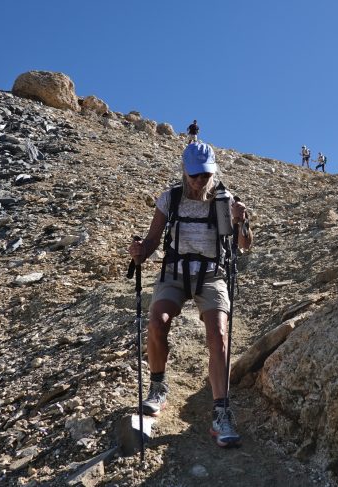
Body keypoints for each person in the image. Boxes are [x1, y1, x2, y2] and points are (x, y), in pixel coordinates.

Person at [127, 141, 252, 448]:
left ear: (213, 172)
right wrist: (139, 252)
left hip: (211, 276)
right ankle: (158, 388)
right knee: (158, 320)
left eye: (205, 175)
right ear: (184, 170)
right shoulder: (170, 198)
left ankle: (221, 412)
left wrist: (242, 222)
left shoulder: (224, 200)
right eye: (195, 174)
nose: (199, 181)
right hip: (175, 274)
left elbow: (244, 245)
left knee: (219, 334)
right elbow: (153, 240)